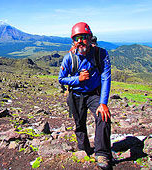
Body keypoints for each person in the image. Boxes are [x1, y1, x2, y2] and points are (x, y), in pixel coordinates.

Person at [58, 22, 112, 169]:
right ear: (73, 41)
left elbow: (106, 77)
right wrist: (78, 79)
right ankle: (84, 149)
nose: (80, 41)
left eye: (83, 37)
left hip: (94, 93)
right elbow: (61, 79)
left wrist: (103, 103)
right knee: (79, 124)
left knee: (103, 116)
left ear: (90, 37)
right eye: (76, 38)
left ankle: (102, 153)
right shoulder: (69, 58)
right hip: (75, 95)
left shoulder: (101, 54)